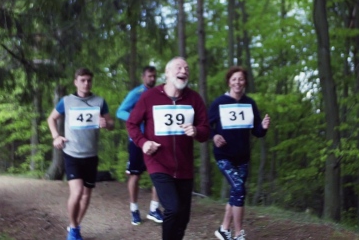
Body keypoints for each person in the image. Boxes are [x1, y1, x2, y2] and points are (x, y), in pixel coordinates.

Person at [126, 57, 210, 240]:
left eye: (187, 68)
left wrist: (196, 131)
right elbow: (132, 124)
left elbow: (205, 131)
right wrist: (143, 143)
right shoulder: (149, 97)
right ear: (167, 73)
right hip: (158, 162)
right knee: (172, 208)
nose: (184, 70)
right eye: (179, 67)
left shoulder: (194, 98)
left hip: (184, 165)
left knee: (183, 217)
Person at [47, 68, 115, 240]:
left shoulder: (99, 101)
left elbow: (112, 123)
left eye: (89, 80)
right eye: (82, 80)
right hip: (72, 154)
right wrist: (56, 136)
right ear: (75, 82)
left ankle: (74, 226)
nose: (86, 83)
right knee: (76, 193)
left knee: (86, 195)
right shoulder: (67, 101)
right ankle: (74, 228)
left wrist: (105, 123)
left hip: (91, 155)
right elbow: (51, 118)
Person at [210, 66, 270, 240]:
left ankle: (223, 229)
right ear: (229, 81)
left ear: (245, 82)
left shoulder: (249, 103)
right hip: (224, 156)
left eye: (241, 79)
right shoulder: (219, 102)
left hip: (243, 157)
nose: (237, 82)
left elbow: (256, 132)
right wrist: (214, 137)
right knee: (239, 188)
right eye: (234, 79)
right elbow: (206, 127)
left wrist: (263, 128)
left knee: (237, 192)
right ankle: (238, 234)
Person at [116, 65, 164, 225]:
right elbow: (120, 111)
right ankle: (134, 210)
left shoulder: (158, 93)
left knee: (159, 174)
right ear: (143, 77)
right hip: (137, 140)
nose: (152, 79)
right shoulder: (136, 93)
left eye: (154, 76)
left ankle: (154, 208)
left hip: (155, 140)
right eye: (149, 76)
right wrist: (137, 117)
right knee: (135, 175)